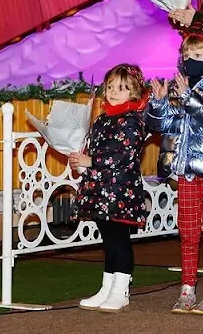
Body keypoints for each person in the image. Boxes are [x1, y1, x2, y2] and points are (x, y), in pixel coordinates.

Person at [145, 27, 203, 315]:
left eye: (198, 54)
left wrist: (188, 98)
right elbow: (161, 126)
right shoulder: (180, 84)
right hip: (184, 168)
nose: (191, 59)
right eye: (187, 54)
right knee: (186, 232)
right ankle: (187, 288)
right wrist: (159, 103)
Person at [72, 64, 149, 313]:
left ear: (135, 92)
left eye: (122, 88)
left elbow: (123, 155)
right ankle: (107, 286)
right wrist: (81, 158)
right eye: (111, 87)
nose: (114, 92)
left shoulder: (133, 120)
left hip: (121, 191)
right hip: (101, 189)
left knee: (120, 239)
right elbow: (97, 149)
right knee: (109, 239)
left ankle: (121, 289)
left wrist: (91, 161)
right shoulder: (103, 118)